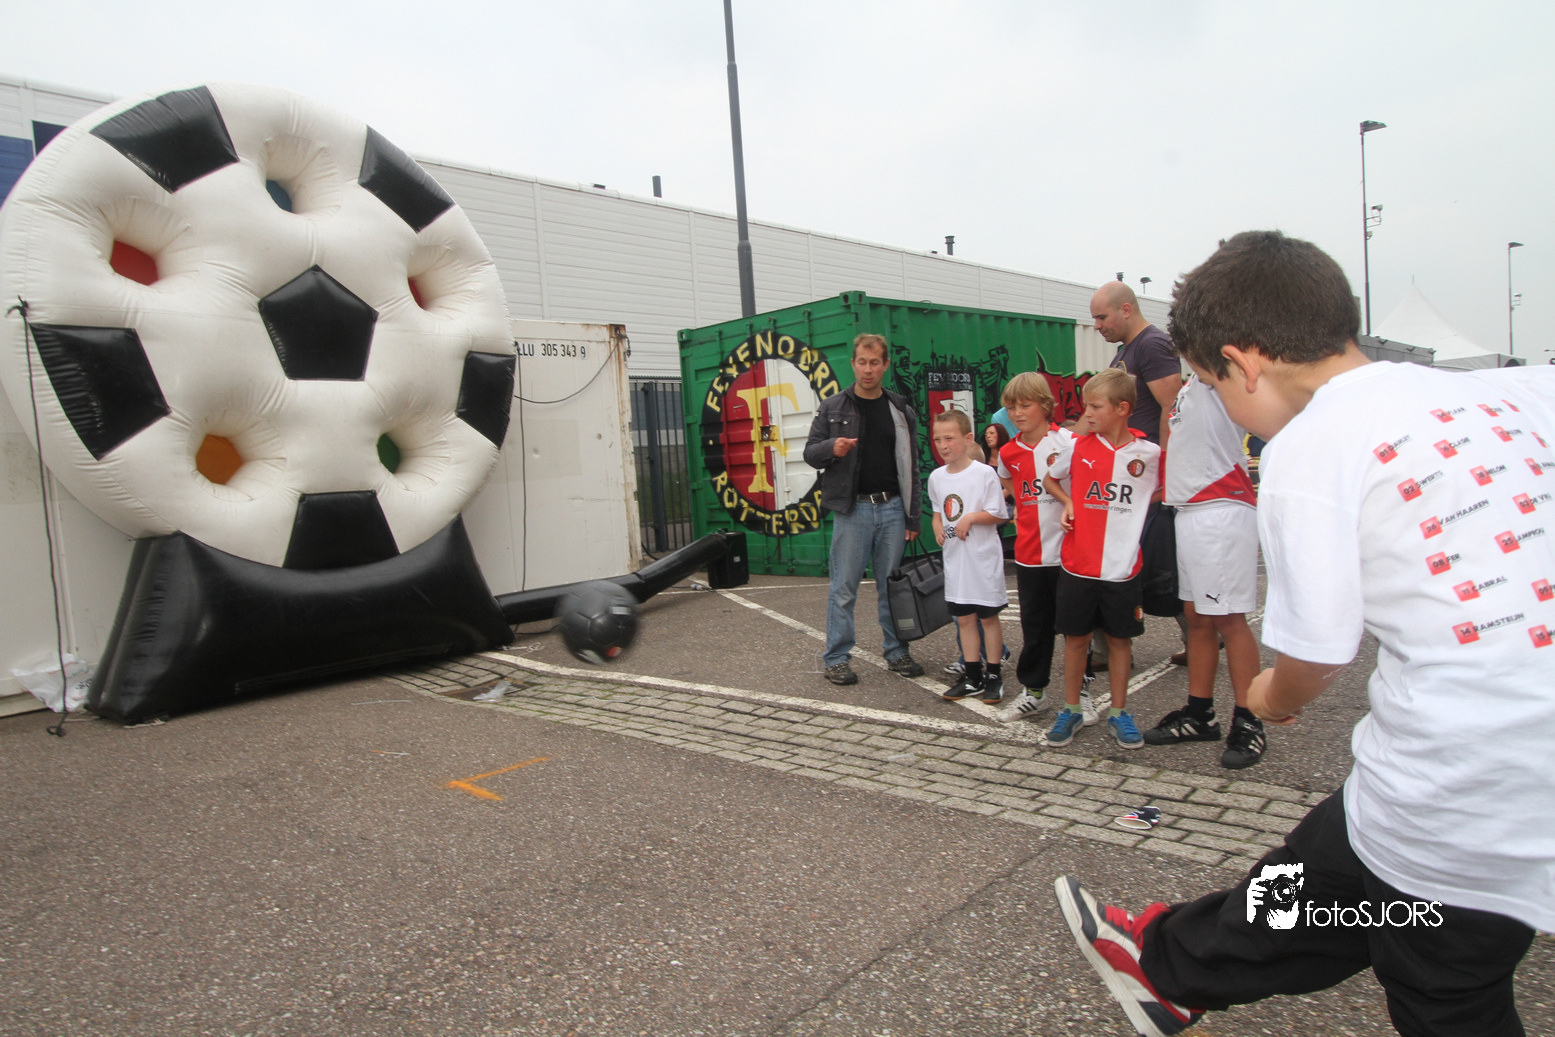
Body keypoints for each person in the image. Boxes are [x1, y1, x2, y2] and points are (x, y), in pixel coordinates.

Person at [1055, 230, 1555, 1037]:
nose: (1223, 407)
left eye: (1212, 385)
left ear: (1241, 363)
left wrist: (1267, 696)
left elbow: (1319, 651)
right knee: (1339, 857)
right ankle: (1165, 964)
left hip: (1471, 784)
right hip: (1491, 773)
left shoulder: (1311, 445)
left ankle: (1165, 963)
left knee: (1436, 974)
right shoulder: (1519, 389)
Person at [1143, 370, 1265, 768]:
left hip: (1220, 506)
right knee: (1196, 617)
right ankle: (1200, 714)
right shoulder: (1192, 382)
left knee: (1229, 619)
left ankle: (1249, 720)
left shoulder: (1217, 370)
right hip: (1189, 508)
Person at [1041, 368, 1162, 749]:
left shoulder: (1149, 453)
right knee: (1075, 640)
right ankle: (1072, 709)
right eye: (1085, 406)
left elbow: (1163, 488)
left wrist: (1138, 509)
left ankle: (1119, 713)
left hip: (1122, 568)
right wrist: (1069, 502)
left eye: (1095, 406)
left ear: (1122, 409)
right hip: (1078, 564)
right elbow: (1050, 479)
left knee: (1120, 642)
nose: (1087, 414)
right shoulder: (1077, 447)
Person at [802, 333, 925, 685]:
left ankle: (897, 651)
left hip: (893, 509)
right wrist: (831, 447)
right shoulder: (832, 407)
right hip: (853, 510)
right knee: (844, 588)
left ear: (885, 365)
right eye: (861, 362)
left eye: (874, 363)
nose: (867, 369)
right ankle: (837, 658)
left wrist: (913, 517)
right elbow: (810, 453)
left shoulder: (900, 409)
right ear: (853, 364)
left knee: (892, 588)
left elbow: (912, 467)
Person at [993, 372, 1095, 724]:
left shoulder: (1068, 442)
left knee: (1075, 628)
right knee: (1035, 627)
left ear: (1045, 405)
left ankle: (1081, 691)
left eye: (1026, 405)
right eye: (1011, 407)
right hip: (1031, 554)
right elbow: (1007, 477)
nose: (1018, 413)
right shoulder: (1009, 451)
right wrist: (1021, 504)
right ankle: (1034, 692)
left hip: (1069, 554)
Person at [927, 409, 1010, 704]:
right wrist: (938, 527)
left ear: (968, 438)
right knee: (964, 620)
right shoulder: (936, 478)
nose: (943, 445)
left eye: (949, 438)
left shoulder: (984, 473)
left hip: (982, 560)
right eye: (938, 439)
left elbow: (999, 514)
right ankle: (973, 676)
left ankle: (994, 675)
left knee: (988, 619)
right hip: (956, 561)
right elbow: (938, 514)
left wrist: (972, 518)